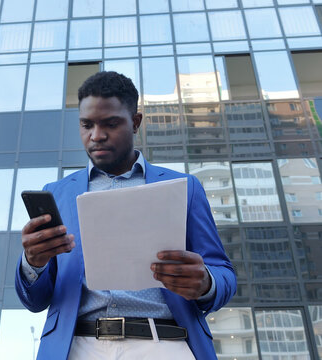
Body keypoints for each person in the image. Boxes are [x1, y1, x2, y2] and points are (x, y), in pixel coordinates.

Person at [15, 71, 236, 359]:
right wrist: (34, 263)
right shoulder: (58, 194)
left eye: (110, 123)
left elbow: (223, 273)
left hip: (165, 343)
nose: (96, 135)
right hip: (78, 346)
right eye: (86, 125)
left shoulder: (185, 188)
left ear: (135, 122)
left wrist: (205, 282)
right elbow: (35, 300)